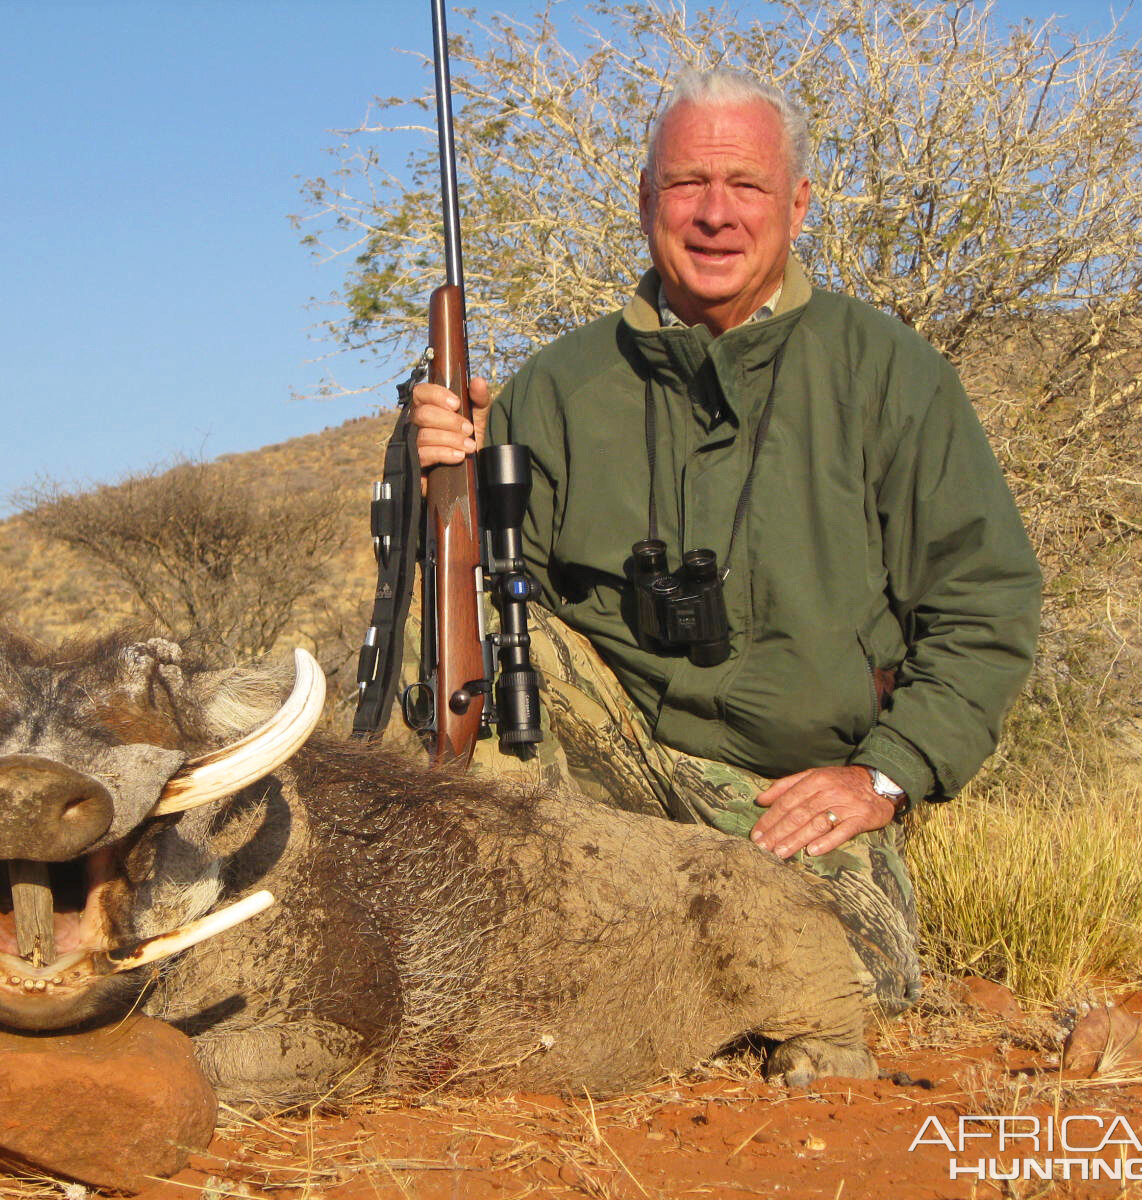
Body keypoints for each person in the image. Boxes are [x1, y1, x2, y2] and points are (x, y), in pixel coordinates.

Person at [409, 66, 1042, 1014]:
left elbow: (985, 604)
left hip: (788, 796)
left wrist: (885, 775)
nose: (714, 214)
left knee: (854, 983)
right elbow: (482, 619)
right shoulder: (554, 388)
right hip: (606, 775)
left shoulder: (887, 372)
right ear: (644, 202)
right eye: (686, 185)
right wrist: (441, 477)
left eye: (744, 186)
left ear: (796, 203)